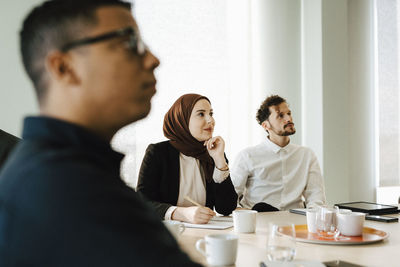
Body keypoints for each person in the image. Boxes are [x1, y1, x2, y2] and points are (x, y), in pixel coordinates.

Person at [0, 1, 202, 266]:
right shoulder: (72, 189)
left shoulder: (44, 167)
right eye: (129, 42)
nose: (154, 59)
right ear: (64, 67)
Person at [137, 94, 238, 224]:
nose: (210, 120)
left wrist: (220, 162)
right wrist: (181, 213)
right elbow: (142, 202)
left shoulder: (213, 152)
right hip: (166, 232)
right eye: (201, 114)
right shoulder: (158, 152)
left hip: (203, 233)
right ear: (182, 119)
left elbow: (226, 208)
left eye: (211, 114)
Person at [231, 95, 326, 211]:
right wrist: (245, 215)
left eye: (289, 113)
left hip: (295, 223)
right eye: (280, 115)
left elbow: (316, 198)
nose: (288, 119)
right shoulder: (247, 156)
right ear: (266, 125)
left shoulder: (307, 155)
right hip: (259, 222)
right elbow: (231, 199)